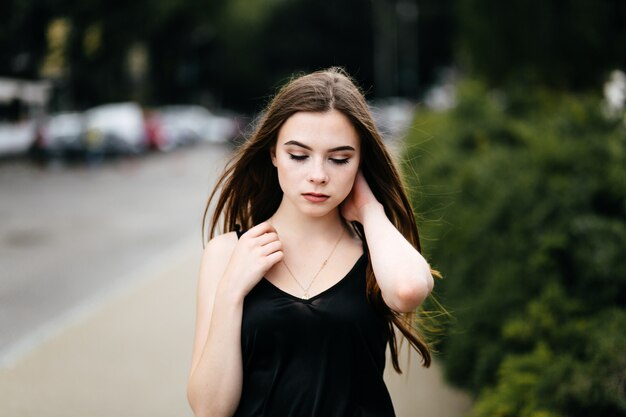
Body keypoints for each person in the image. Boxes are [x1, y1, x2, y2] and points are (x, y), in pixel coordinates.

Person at [187, 67, 438, 417]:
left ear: (360, 163)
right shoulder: (227, 253)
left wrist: (369, 209)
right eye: (299, 155)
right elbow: (210, 409)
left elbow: (409, 290)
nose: (318, 175)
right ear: (273, 153)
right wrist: (231, 291)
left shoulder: (378, 253)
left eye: (339, 159)